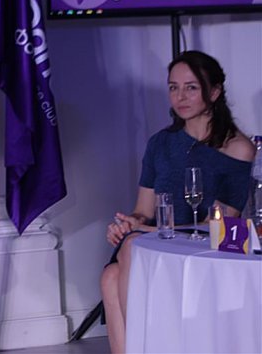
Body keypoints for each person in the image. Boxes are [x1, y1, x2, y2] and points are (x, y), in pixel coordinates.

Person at [100, 50, 254, 354]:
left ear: (214, 92)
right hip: (158, 242)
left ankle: (145, 345)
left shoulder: (238, 148)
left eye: (191, 87)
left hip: (204, 247)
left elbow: (220, 225)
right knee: (110, 275)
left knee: (129, 250)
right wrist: (129, 224)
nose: (180, 97)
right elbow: (143, 211)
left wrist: (149, 232)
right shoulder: (160, 143)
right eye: (173, 87)